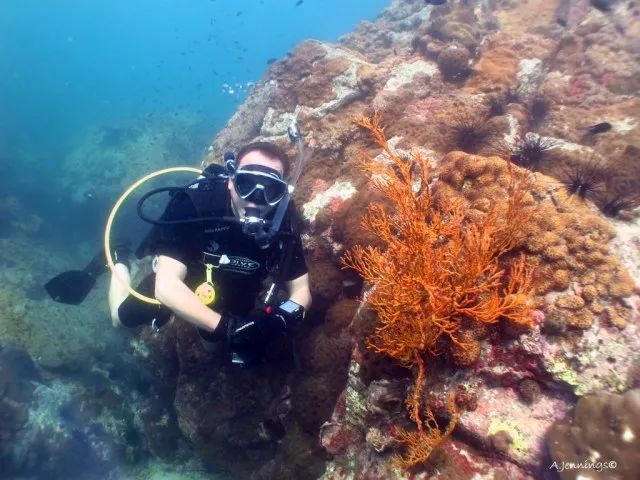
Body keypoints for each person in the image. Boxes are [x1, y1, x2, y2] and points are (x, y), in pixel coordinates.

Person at [108, 141, 312, 366]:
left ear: (281, 194)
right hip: (183, 277)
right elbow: (165, 286)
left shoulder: (283, 221)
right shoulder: (196, 204)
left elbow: (301, 290)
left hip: (236, 288)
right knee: (120, 319)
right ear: (231, 182)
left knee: (213, 348)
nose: (255, 199)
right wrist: (228, 328)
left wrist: (280, 319)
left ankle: (208, 326)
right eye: (246, 184)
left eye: (270, 190)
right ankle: (120, 258)